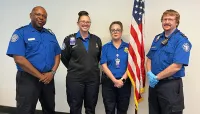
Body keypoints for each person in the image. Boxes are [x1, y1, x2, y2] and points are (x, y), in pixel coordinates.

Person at [6, 6, 61, 114]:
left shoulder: (50, 35)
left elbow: (57, 54)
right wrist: (40, 76)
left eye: (44, 16)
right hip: (28, 79)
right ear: (30, 15)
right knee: (25, 110)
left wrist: (52, 72)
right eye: (38, 14)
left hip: (48, 78)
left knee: (49, 109)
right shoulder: (21, 33)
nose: (41, 17)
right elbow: (19, 59)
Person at [146, 9, 192, 114]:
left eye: (170, 19)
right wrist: (149, 73)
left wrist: (157, 77)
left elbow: (176, 66)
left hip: (170, 86)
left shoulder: (182, 41)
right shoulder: (157, 38)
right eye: (164, 19)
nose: (166, 22)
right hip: (154, 85)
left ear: (176, 22)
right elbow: (149, 59)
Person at [61, 11, 102, 114]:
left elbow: (98, 58)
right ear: (78, 23)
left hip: (92, 80)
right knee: (75, 107)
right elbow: (64, 58)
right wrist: (76, 68)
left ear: (90, 23)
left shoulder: (96, 40)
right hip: (75, 80)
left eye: (88, 22)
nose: (85, 24)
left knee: (91, 108)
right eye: (83, 21)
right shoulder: (69, 39)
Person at [100, 21, 131, 114]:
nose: (115, 32)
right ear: (110, 32)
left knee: (122, 109)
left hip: (124, 82)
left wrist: (122, 80)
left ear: (121, 32)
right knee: (109, 110)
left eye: (118, 30)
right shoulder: (105, 47)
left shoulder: (129, 47)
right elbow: (104, 65)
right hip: (109, 83)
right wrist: (115, 80)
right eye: (113, 30)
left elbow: (131, 65)